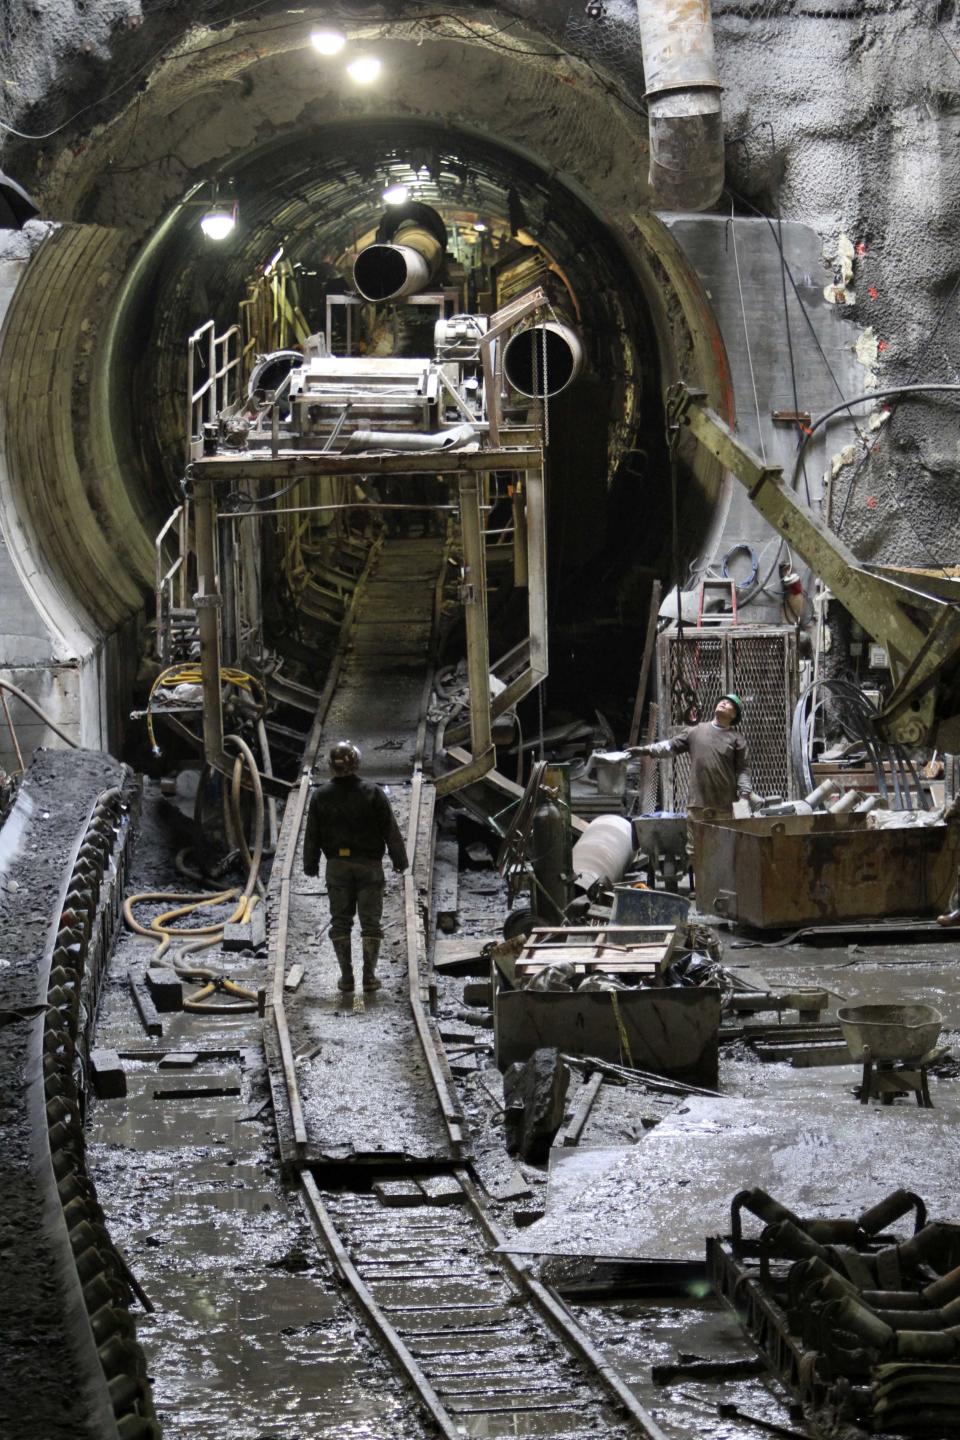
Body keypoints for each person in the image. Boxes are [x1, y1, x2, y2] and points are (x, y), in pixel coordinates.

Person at [302, 740, 409, 994]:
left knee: (340, 922)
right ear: (357, 764)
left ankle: (347, 978)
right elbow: (390, 831)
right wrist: (399, 860)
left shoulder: (320, 796)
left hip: (337, 866)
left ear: (331, 767)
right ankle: (369, 979)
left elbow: (312, 835)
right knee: (370, 923)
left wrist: (310, 865)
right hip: (369, 866)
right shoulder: (373, 793)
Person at [628, 693, 756, 821]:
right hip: (697, 806)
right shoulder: (695, 731)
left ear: (734, 715)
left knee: (723, 840)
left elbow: (743, 770)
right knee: (696, 841)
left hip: (725, 807)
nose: (723, 703)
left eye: (729, 704)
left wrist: (744, 797)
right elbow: (670, 746)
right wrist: (644, 750)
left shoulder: (736, 739)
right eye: (722, 701)